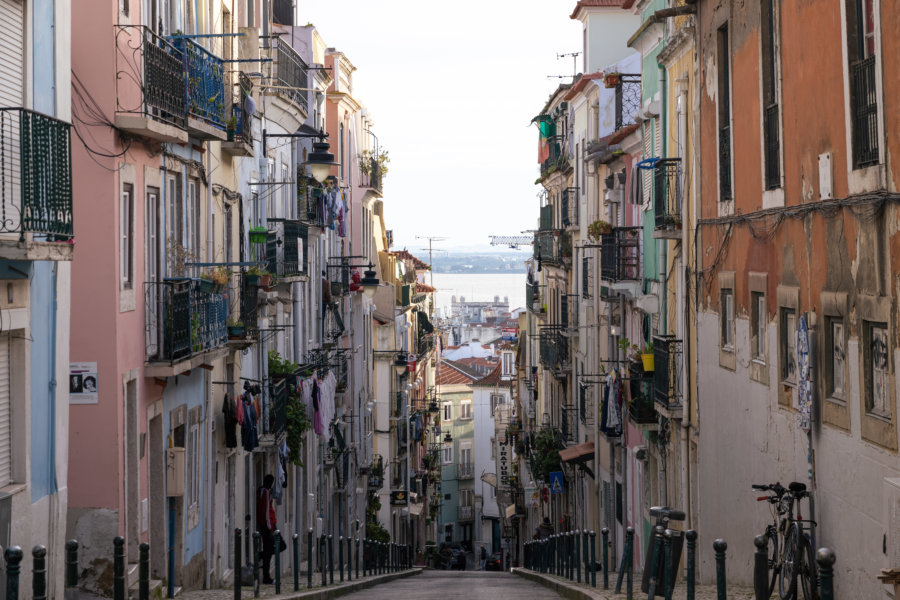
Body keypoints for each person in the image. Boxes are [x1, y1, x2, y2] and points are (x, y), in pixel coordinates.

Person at [256, 474, 277, 584]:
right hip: (268, 525)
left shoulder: (260, 491)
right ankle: (266, 577)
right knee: (277, 547)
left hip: (263, 525)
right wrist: (270, 529)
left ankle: (261, 555)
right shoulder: (266, 493)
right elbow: (266, 512)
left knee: (269, 552)